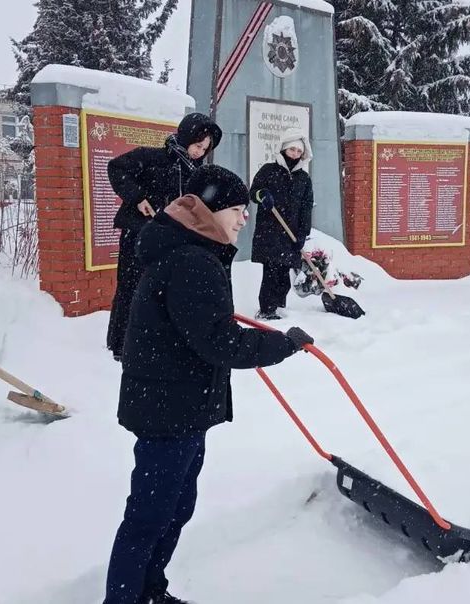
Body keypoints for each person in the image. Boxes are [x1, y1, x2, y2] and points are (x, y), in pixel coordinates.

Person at [103, 165, 314, 604]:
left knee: (173, 509)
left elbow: (202, 325)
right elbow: (220, 342)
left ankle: (149, 592)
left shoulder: (191, 252)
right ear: (210, 210)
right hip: (169, 410)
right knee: (150, 516)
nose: (244, 219)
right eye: (237, 210)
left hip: (177, 406)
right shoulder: (192, 261)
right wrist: (282, 345)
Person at [106, 112, 223, 361]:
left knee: (158, 291)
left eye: (204, 148)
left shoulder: (197, 174)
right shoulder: (153, 158)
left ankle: (149, 341)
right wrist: (137, 198)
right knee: (131, 286)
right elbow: (116, 168)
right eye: (196, 144)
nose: (199, 152)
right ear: (186, 136)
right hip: (138, 233)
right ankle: (121, 344)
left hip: (170, 240)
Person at [249, 129, 314, 320]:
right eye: (291, 149)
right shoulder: (269, 170)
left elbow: (306, 207)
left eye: (298, 151)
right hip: (269, 231)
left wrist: (303, 233)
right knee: (271, 271)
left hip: (291, 233)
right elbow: (253, 192)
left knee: (284, 272)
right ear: (284, 149)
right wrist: (263, 195)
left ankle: (279, 306)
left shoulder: (303, 179)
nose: (294, 153)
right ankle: (267, 309)